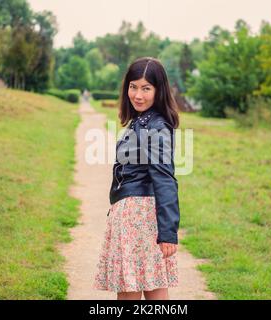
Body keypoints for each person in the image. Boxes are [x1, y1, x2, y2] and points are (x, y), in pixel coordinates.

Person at [93, 57, 180, 300]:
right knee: (147, 284)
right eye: (133, 86)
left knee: (136, 289)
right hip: (133, 215)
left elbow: (165, 179)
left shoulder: (155, 126)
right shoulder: (140, 122)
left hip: (139, 217)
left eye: (146, 88)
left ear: (158, 90)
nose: (138, 95)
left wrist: (168, 233)